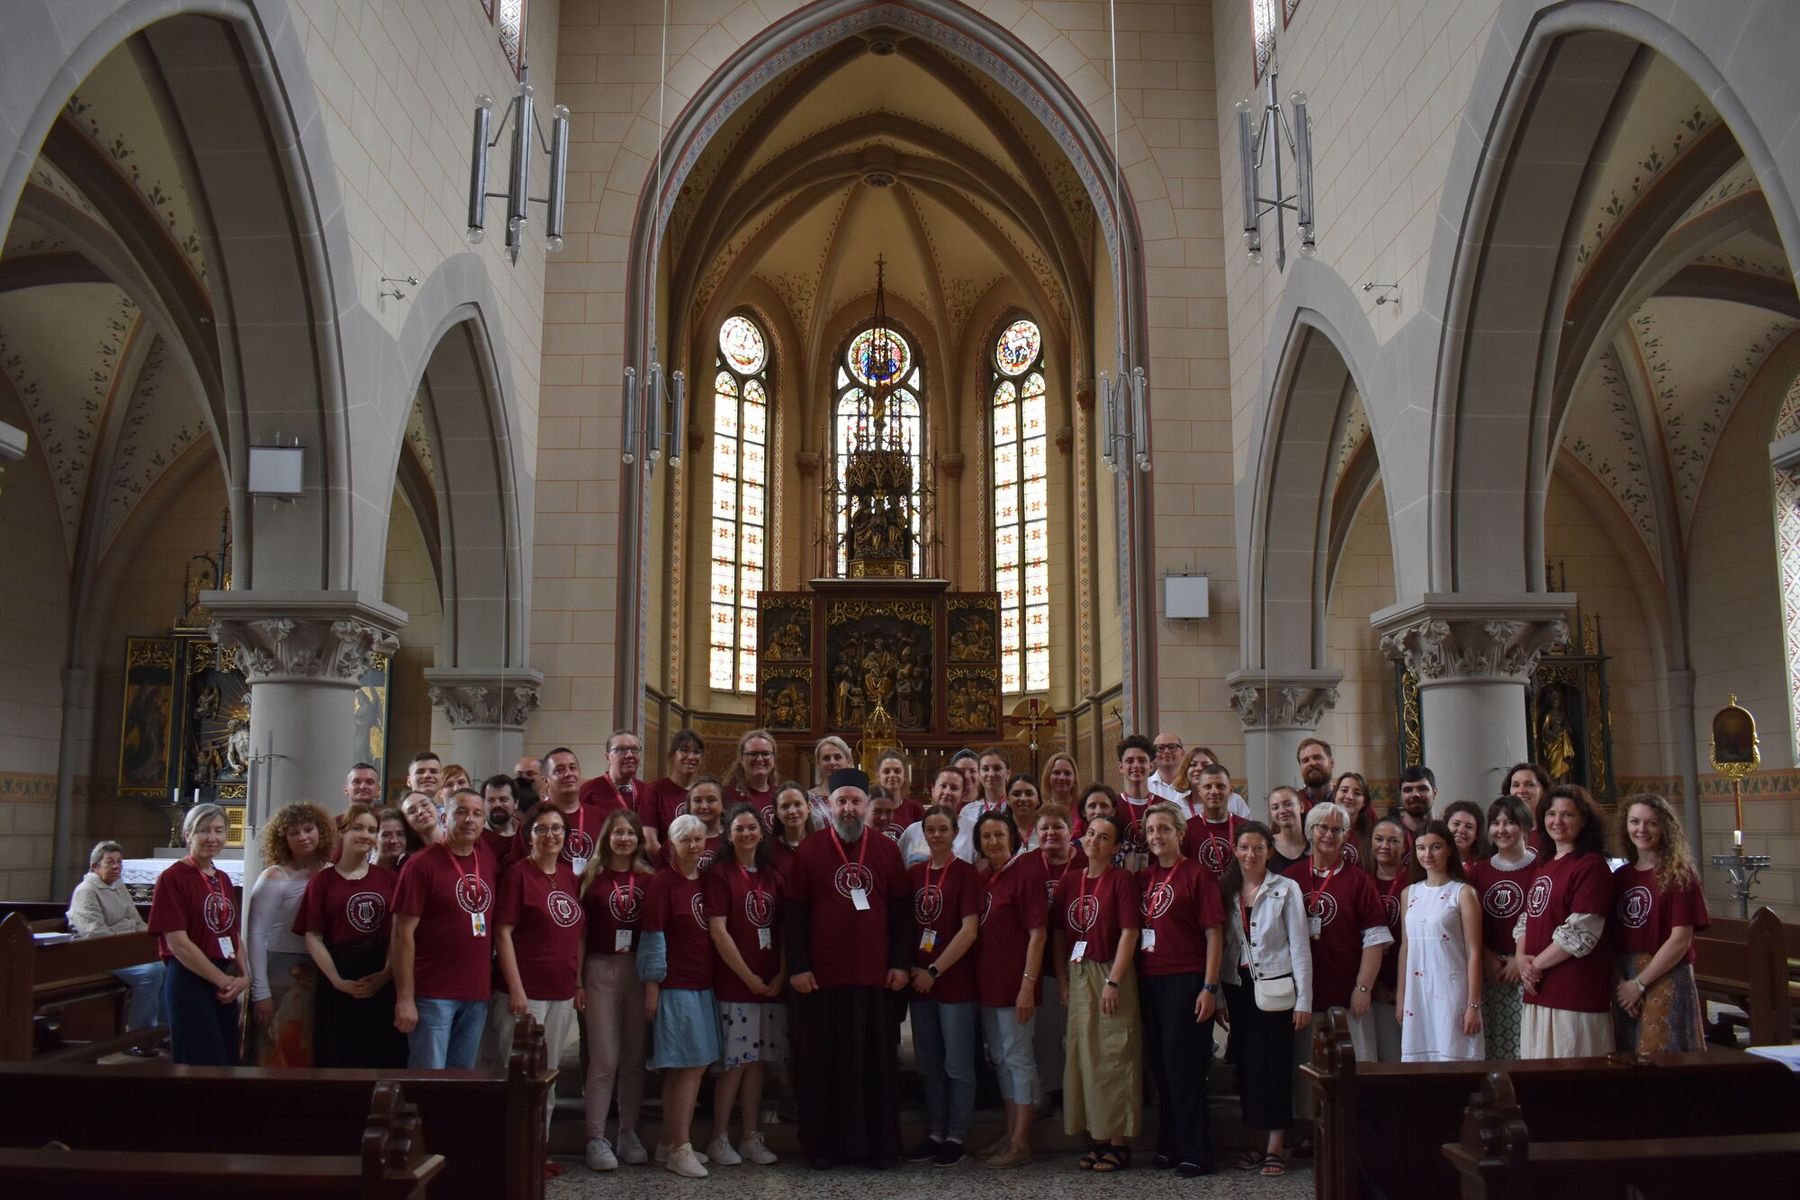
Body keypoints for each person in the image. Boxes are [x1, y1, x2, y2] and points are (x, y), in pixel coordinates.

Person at [783, 768, 911, 1170]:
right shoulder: (810, 849)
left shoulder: (887, 851)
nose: (849, 809)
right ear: (830, 806)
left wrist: (900, 964)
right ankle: (824, 1146)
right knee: (824, 1068)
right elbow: (794, 914)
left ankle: (878, 1147)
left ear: (867, 805)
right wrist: (799, 967)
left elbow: (903, 914)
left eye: (856, 801)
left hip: (875, 978)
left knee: (876, 1068)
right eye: (842, 802)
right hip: (822, 980)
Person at [485, 804, 585, 1148]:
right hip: (526, 995)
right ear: (528, 836)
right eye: (542, 829)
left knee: (548, 1077)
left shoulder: (569, 874)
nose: (551, 835)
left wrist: (577, 983)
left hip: (560, 992)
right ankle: (510, 1155)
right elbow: (502, 934)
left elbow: (575, 934)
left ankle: (536, 1155)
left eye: (557, 828)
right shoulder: (518, 874)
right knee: (519, 1078)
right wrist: (516, 989)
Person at [1220, 822, 1311, 1179]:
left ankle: (1276, 1144)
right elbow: (1224, 944)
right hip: (1238, 986)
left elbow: (1300, 946)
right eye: (1244, 847)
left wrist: (1304, 999)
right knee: (1247, 1065)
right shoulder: (1226, 890)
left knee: (1275, 1065)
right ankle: (1255, 1139)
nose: (1251, 854)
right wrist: (1219, 993)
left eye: (1258, 848)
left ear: (1269, 852)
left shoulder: (1285, 888)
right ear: (1236, 850)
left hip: (1276, 986)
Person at [1138, 802, 1224, 1177]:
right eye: (1151, 830)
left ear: (1179, 832)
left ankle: (1196, 1149)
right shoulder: (1146, 877)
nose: (1156, 836)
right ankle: (1170, 1144)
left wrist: (1209, 986)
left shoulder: (1197, 875)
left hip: (1186, 979)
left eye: (1164, 829)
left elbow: (1214, 933)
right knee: (1160, 1066)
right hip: (1150, 980)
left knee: (1184, 1068)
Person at [1054, 812, 1142, 1172]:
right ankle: (1097, 1137)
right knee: (1084, 1057)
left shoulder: (1121, 880)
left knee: (1114, 1055)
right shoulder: (1069, 881)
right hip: (1078, 973)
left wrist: (1114, 980)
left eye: (1104, 837)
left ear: (1117, 847)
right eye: (1091, 834)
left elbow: (1129, 933)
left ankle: (1119, 1143)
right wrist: (1061, 981)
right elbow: (1059, 936)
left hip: (1109, 972)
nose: (1095, 841)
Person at [391, 788, 501, 1069]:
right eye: (461, 812)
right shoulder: (421, 865)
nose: (469, 820)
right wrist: (405, 997)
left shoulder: (485, 859)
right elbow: (402, 934)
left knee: (461, 1081)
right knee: (429, 1077)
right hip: (433, 993)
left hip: (476, 991)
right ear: (444, 816)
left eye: (477, 814)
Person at [638, 813, 722, 1178]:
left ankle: (669, 1143)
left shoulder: (704, 881)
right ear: (672, 844)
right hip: (676, 986)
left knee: (693, 1066)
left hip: (703, 983)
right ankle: (681, 1147)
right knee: (686, 1067)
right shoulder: (662, 884)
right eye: (686, 839)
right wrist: (652, 986)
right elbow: (653, 937)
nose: (694, 846)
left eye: (699, 839)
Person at [704, 803, 787, 1167]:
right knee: (734, 1064)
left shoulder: (772, 875)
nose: (747, 834)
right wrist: (748, 977)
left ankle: (752, 1135)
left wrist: (781, 974)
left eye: (752, 827)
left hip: (771, 982)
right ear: (728, 834)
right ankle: (719, 1137)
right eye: (739, 828)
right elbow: (719, 931)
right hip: (737, 983)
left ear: (762, 833)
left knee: (757, 1064)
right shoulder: (721, 873)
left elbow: (784, 928)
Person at [296, 803, 406, 1067]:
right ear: (341, 832)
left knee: (381, 1052)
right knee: (338, 1052)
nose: (365, 835)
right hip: (339, 970)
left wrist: (386, 973)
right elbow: (312, 935)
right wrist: (336, 980)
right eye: (358, 828)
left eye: (371, 830)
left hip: (381, 970)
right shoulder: (323, 881)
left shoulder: (388, 878)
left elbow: (398, 932)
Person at [903, 804, 982, 1168]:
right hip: (920, 986)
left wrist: (933, 970)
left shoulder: (966, 874)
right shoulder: (914, 873)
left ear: (954, 833)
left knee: (957, 1064)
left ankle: (956, 1135)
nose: (936, 835)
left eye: (943, 829)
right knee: (929, 1063)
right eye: (930, 829)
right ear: (923, 833)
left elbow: (969, 931)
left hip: (953, 983)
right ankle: (935, 1130)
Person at [578, 809, 655, 1171]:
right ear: (607, 836)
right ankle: (596, 1137)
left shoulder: (649, 879)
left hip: (637, 969)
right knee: (604, 1057)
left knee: (634, 1059)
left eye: (630, 833)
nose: (624, 838)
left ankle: (628, 1132)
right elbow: (577, 934)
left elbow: (656, 936)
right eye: (618, 832)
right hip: (600, 968)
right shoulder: (590, 878)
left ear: (638, 839)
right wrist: (577, 979)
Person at [1287, 801, 1392, 1063]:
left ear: (1346, 836)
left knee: (1355, 1067)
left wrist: (1364, 987)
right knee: (1306, 1070)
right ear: (1310, 831)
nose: (1329, 835)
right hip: (1301, 997)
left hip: (1348, 994)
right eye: (1322, 828)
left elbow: (1375, 939)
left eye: (1337, 830)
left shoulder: (1359, 880)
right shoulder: (1290, 878)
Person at [973, 809, 1047, 1170]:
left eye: (999, 835)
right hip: (990, 986)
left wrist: (1027, 987)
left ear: (1012, 838)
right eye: (986, 837)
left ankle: (1022, 1141)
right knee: (1002, 1060)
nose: (993, 842)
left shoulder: (1026, 875)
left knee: (1019, 1060)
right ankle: (1009, 1132)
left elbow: (1037, 934)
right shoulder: (987, 877)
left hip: (1015, 987)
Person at [1516, 784, 1614, 1057]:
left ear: (1584, 820)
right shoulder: (1546, 864)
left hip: (1573, 991)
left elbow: (1582, 929)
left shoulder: (1590, 865)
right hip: (1538, 986)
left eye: (1567, 815)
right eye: (1551, 813)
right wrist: (1521, 956)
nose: (1557, 821)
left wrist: (1534, 965)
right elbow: (1528, 916)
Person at [148, 804, 245, 1065]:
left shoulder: (222, 878)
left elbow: (232, 931)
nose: (212, 837)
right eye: (203, 830)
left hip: (223, 976)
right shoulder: (173, 878)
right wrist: (223, 980)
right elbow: (178, 943)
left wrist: (245, 976)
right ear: (188, 834)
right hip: (190, 978)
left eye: (218, 830)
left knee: (226, 1058)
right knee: (201, 1060)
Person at [1611, 793, 1708, 1053]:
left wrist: (1640, 984)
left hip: (1665, 975)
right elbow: (1609, 937)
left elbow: (1680, 940)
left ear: (1665, 827)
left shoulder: (1679, 874)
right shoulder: (1620, 876)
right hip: (1624, 978)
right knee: (1627, 1055)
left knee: (1660, 1055)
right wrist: (1623, 984)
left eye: (1651, 823)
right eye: (1634, 822)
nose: (1641, 829)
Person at [246, 801, 334, 1067]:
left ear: (321, 832)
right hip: (281, 969)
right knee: (278, 1041)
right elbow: (256, 934)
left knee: (312, 1043)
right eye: (294, 832)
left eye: (309, 829)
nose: (303, 837)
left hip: (320, 966)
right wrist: (260, 990)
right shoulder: (275, 876)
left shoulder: (330, 871)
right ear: (283, 837)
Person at [1395, 822, 1483, 1061]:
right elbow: (1406, 948)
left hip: (1452, 992)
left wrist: (1473, 1005)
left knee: (1453, 1063)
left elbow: (1474, 952)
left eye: (1435, 847)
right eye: (1421, 848)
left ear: (1449, 850)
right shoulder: (1409, 893)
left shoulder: (1463, 893)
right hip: (1418, 993)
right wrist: (1401, 997)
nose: (1427, 854)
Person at [68, 840, 164, 1045]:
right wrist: (129, 944)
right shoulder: (86, 891)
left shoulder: (118, 886)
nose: (116, 867)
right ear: (95, 866)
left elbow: (137, 921)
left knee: (167, 964)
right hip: (98, 955)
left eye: (119, 862)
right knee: (150, 974)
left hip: (124, 948)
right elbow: (96, 934)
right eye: (110, 862)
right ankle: (137, 1036)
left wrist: (156, 938)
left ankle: (162, 1031)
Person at [1021, 802, 1084, 1109]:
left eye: (1057, 827)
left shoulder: (1085, 860)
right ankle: (1052, 1089)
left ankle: (1081, 1090)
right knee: (1046, 1032)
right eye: (1043, 828)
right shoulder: (1027, 863)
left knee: (1079, 1032)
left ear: (1071, 831)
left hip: (1084, 959)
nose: (1050, 833)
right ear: (1035, 833)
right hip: (1042, 960)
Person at [1464, 795, 1537, 1060]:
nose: (1501, 829)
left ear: (1525, 825)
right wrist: (1484, 955)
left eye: (1510, 822)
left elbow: (1540, 918)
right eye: (1495, 823)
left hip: (1527, 967)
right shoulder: (1478, 872)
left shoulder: (1541, 868)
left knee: (1524, 1046)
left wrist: (1520, 959)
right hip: (1489, 968)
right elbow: (1469, 923)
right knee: (1489, 1043)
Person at [1367, 816, 1410, 1062]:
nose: (1385, 845)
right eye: (1379, 839)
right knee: (1385, 1054)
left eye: (1393, 840)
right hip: (1375, 982)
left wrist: (1400, 988)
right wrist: (1376, 985)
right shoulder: (1363, 879)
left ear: (1404, 845)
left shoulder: (1414, 880)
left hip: (1408, 979)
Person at [540, 747, 605, 871]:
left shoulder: (598, 816)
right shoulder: (535, 817)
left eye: (573, 768)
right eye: (559, 770)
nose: (568, 774)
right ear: (546, 781)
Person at [894, 765, 969, 867]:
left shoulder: (972, 830)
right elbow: (898, 867)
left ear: (963, 794)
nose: (947, 792)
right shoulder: (912, 831)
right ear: (933, 790)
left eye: (954, 788)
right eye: (943, 786)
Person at [641, 729, 704, 846]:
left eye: (696, 752)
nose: (691, 756)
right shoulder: (654, 791)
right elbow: (649, 842)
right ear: (672, 755)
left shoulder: (704, 793)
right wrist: (672, 865)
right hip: (663, 863)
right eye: (684, 750)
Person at [1183, 762, 1243, 877]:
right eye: (1208, 786)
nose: (1214, 791)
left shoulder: (1245, 827)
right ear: (1199, 790)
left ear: (1230, 789)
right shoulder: (1186, 830)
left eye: (1220, 786)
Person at [953, 747, 1013, 861]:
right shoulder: (968, 811)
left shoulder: (1015, 806)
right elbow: (963, 849)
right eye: (985, 769)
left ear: (1008, 774)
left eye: (997, 768)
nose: (991, 774)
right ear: (980, 774)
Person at [581, 729, 645, 826]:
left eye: (634, 749)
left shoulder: (647, 791)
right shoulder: (589, 790)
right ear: (607, 757)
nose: (629, 755)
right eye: (621, 750)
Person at [1113, 734, 1157, 873]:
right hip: (1122, 878)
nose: (1136, 765)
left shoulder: (1165, 806)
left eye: (1142, 760)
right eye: (1130, 761)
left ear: (1150, 766)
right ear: (1121, 767)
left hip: (1158, 878)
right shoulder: (1113, 805)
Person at [726, 729, 782, 831]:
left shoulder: (781, 795)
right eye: (753, 754)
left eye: (765, 754)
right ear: (741, 759)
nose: (760, 759)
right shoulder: (727, 796)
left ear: (773, 758)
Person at [671, 775, 725, 867]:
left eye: (711, 800)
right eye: (698, 801)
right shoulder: (675, 841)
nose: (704, 806)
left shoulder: (733, 840)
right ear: (689, 806)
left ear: (723, 804)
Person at [1329, 771, 1375, 868]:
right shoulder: (1322, 830)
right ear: (1335, 795)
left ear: (1364, 803)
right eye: (1344, 790)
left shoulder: (1372, 834)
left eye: (1357, 793)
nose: (1349, 797)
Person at [1504, 761, 1552, 852]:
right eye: (1516, 785)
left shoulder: (1554, 828)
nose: (1521, 791)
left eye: (1529, 785)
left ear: (1544, 791)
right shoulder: (1501, 830)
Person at [766, 782, 814, 872]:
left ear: (808, 808)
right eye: (785, 806)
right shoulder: (768, 850)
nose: (792, 811)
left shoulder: (820, 846)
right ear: (777, 813)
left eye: (798, 804)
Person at [480, 773, 523, 861]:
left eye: (503, 799)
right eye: (491, 800)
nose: (497, 805)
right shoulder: (475, 835)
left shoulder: (525, 834)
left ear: (516, 803)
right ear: (483, 803)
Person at [1266, 787, 1309, 872]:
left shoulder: (1315, 843)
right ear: (1271, 814)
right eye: (1275, 807)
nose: (1282, 811)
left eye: (1288, 804)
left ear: (1302, 807)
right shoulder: (1266, 845)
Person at [1392, 765, 1437, 836]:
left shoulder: (1448, 834)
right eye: (1408, 790)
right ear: (1400, 796)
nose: (1415, 795)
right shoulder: (1391, 835)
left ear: (1434, 793)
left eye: (1422, 788)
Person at [400, 789, 445, 856]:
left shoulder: (461, 841)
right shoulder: (410, 860)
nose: (420, 811)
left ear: (436, 808)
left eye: (425, 804)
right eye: (412, 811)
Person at [1147, 732, 1188, 805]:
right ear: (1153, 754)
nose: (1166, 751)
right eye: (1160, 748)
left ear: (1182, 753)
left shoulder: (1193, 786)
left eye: (1172, 747)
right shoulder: (1145, 786)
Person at [1444, 800, 1488, 865]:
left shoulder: (1484, 866)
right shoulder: (1433, 860)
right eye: (1456, 824)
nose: (1461, 830)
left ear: (1477, 834)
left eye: (1469, 827)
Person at [1296, 737, 1335, 811]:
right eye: (1305, 760)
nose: (1312, 763)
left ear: (1331, 762)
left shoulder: (1347, 800)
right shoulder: (1293, 803)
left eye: (1317, 757)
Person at [1005, 773, 1043, 849]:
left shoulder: (1047, 828)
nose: (1023, 799)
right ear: (1007, 800)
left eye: (1029, 794)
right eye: (1016, 794)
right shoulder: (1001, 830)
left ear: (1039, 799)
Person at [1043, 752, 1083, 819]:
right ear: (1048, 776)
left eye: (1067, 773)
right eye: (1056, 773)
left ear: (1075, 779)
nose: (1062, 778)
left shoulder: (1083, 810)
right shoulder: (1041, 813)